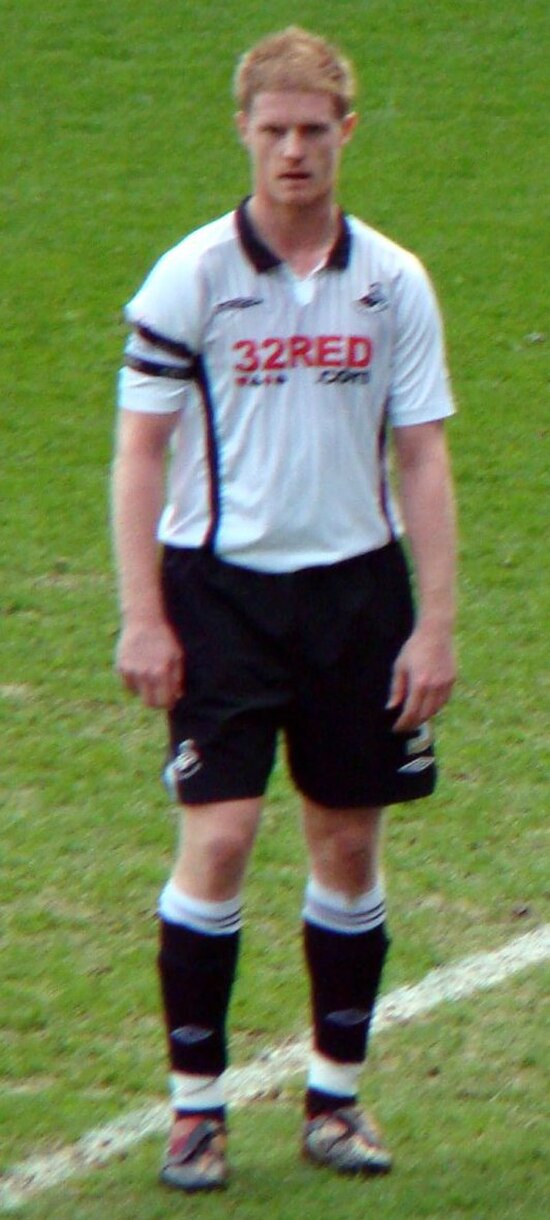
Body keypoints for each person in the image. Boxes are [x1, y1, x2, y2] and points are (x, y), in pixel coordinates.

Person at [111, 25, 457, 1193]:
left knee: (348, 839)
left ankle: (335, 1096)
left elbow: (423, 458)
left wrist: (435, 621)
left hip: (358, 595)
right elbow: (139, 453)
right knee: (217, 834)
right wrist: (143, 613)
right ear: (244, 134)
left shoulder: (391, 279)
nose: (295, 151)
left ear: (345, 132)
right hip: (221, 597)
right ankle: (194, 1112)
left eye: (315, 130)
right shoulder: (191, 275)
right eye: (275, 131)